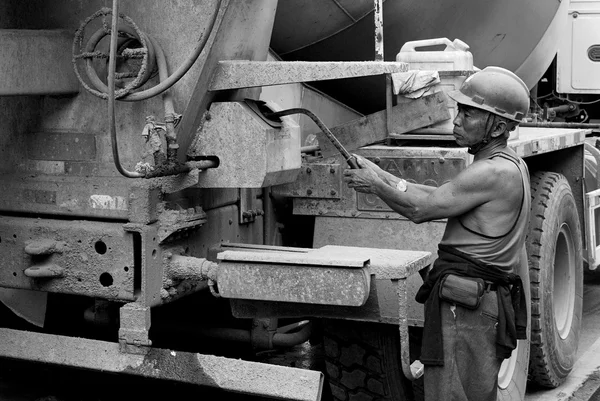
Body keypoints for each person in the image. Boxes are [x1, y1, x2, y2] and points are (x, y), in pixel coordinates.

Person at [343, 66, 530, 401]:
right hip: (473, 303)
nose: (457, 120)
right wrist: (380, 175)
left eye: (470, 114)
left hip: (467, 306)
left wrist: (374, 186)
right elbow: (431, 197)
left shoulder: (491, 173)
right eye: (460, 110)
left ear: (499, 126)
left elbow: (420, 210)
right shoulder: (507, 165)